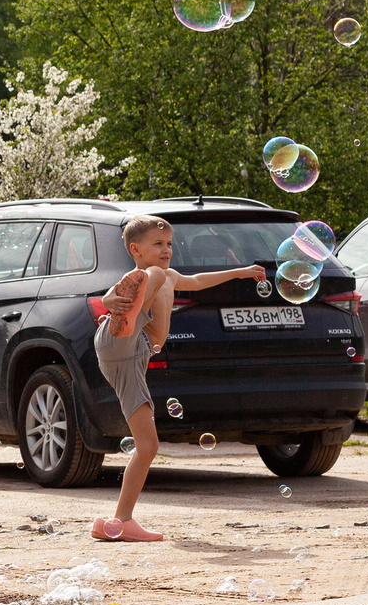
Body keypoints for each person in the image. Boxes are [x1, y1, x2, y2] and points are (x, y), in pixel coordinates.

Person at [90, 215, 268, 542]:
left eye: (169, 244)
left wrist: (240, 272)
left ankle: (110, 524)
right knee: (147, 446)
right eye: (158, 244)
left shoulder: (167, 277)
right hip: (121, 343)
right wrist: (109, 302)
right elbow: (115, 292)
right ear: (135, 248)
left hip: (131, 354)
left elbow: (199, 281)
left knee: (147, 446)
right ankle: (123, 520)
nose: (167, 249)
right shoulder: (145, 274)